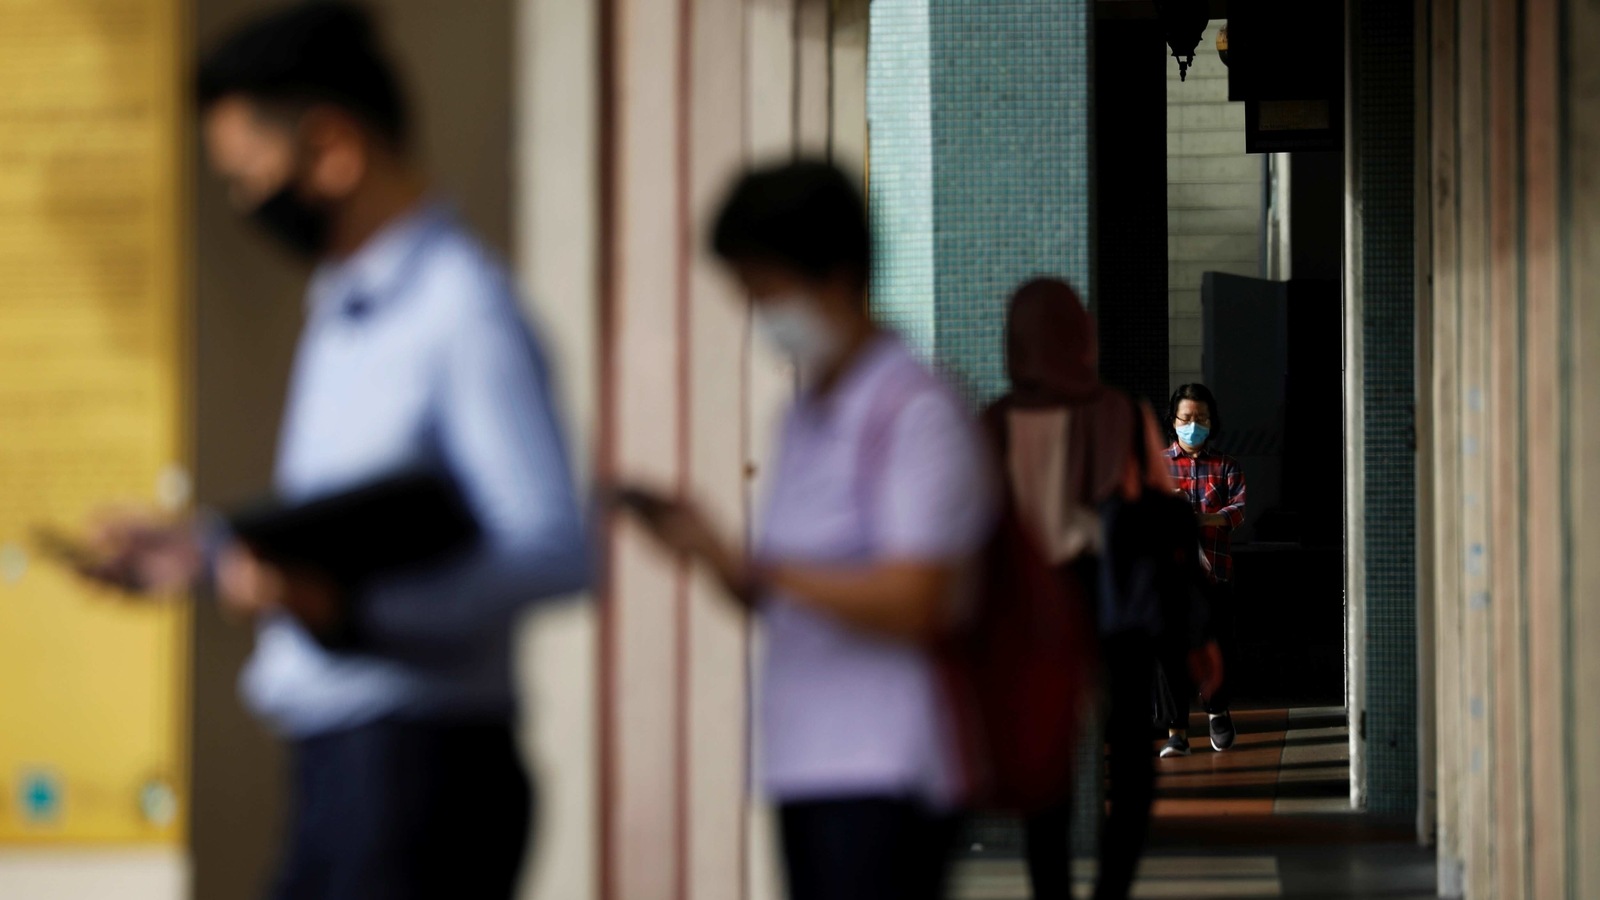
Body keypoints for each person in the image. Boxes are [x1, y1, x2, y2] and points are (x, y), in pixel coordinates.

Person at [72, 4, 589, 897]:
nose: (245, 204)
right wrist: (204, 552)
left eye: (249, 176)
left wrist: (358, 610)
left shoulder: (460, 310)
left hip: (420, 773)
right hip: (337, 770)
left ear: (333, 149)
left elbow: (554, 550)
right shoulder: (342, 313)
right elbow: (339, 528)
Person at [616, 161, 994, 900]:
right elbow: (783, 594)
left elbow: (919, 597)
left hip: (885, 765)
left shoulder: (914, 409)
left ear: (837, 276)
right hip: (805, 758)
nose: (761, 313)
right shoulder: (803, 415)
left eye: (767, 289)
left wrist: (764, 568)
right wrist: (717, 556)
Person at [989, 279, 1195, 900]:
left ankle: (1053, 891)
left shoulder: (992, 424)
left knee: (1046, 767)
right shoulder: (1120, 413)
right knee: (1130, 760)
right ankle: (1111, 890)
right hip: (1114, 603)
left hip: (1034, 608)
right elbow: (1167, 519)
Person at [1158, 383, 1247, 759]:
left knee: (1218, 646)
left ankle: (1217, 712)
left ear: (1212, 422)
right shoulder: (1156, 464)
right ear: (1174, 420)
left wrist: (1202, 518)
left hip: (1214, 576)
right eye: (1187, 418)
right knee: (1167, 655)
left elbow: (1238, 512)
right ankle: (1176, 731)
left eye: (1201, 418)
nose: (1194, 424)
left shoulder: (1226, 466)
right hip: (1168, 579)